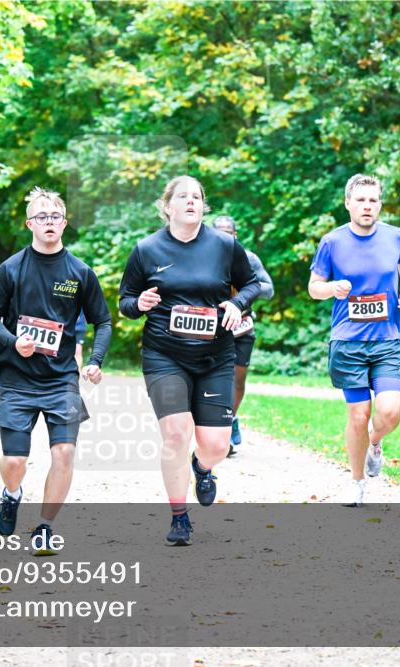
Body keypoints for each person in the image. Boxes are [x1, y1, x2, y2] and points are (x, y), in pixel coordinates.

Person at [119, 176, 263, 545]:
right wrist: (140, 304)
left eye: (196, 197)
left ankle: (202, 468)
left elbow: (252, 285)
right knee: (177, 433)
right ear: (167, 206)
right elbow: (126, 302)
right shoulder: (146, 249)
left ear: (203, 206)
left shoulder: (225, 246)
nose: (190, 202)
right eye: (181, 197)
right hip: (164, 354)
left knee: (215, 445)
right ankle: (179, 516)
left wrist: (234, 303)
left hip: (215, 355)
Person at [0, 187, 111, 554]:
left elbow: (103, 321)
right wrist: (11, 341)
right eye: (41, 216)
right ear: (29, 224)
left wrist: (95, 360)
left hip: (62, 379)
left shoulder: (80, 272)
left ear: (65, 223)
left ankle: (45, 527)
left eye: (55, 216)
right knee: (14, 461)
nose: (48, 222)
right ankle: (11, 492)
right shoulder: (11, 268)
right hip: (17, 378)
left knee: (65, 454)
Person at [308, 173, 400, 507]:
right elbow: (314, 287)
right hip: (349, 343)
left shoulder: (395, 237)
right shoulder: (332, 242)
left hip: (387, 340)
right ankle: (356, 483)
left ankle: (375, 442)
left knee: (390, 412)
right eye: (361, 200)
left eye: (373, 200)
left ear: (380, 204)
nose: (367, 206)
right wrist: (331, 288)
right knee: (357, 414)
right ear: (348, 203)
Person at [213, 216, 275, 456]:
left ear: (236, 234)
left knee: (237, 380)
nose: (225, 235)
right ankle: (219, 428)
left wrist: (246, 291)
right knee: (217, 379)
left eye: (229, 231)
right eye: (220, 232)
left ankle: (230, 419)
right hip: (214, 327)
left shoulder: (248, 259)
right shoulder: (204, 258)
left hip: (242, 325)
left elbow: (268, 289)